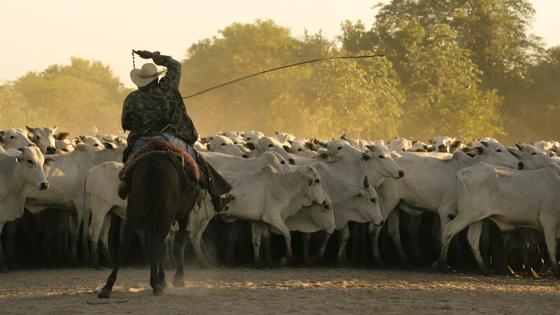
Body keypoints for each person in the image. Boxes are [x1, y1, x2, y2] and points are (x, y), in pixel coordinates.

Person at [120, 49, 232, 211]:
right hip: (169, 138)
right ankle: (218, 197)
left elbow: (127, 124)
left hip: (141, 141)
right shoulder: (167, 88)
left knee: (128, 165)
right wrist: (154, 57)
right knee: (197, 160)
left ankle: (125, 186)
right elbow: (175, 66)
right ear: (156, 78)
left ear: (139, 81)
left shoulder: (131, 98)